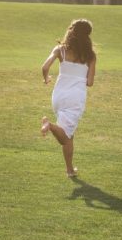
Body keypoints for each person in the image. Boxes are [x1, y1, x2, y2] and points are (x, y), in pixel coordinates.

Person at [40, 19, 97, 177]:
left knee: (69, 134)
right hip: (75, 98)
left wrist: (46, 79)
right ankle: (49, 125)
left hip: (58, 96)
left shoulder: (60, 50)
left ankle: (70, 170)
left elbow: (45, 67)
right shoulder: (90, 56)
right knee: (65, 137)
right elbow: (90, 83)